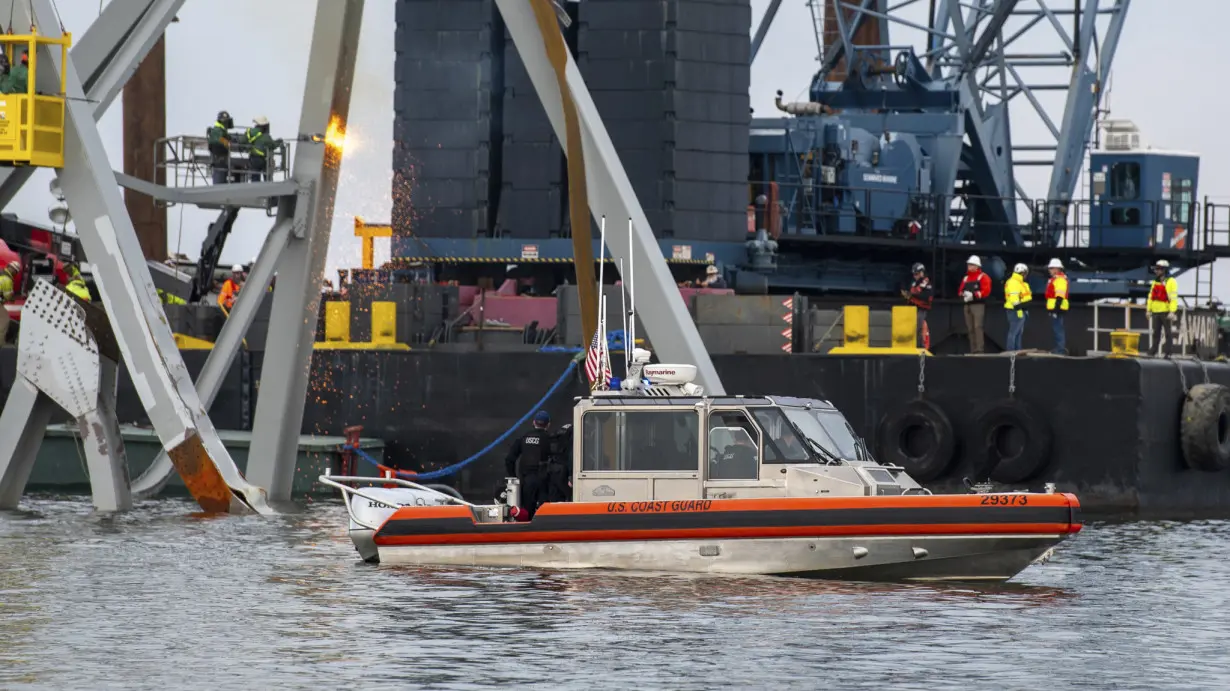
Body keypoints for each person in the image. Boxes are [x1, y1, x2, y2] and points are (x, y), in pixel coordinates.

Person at [503, 410, 553, 518]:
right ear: (548, 424)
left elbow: (509, 459)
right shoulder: (550, 439)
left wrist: (514, 477)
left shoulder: (524, 438)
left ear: (533, 422)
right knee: (545, 514)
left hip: (527, 481)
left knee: (527, 513)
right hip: (545, 481)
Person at [958, 255, 992, 354]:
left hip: (978, 305)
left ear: (977, 266)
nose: (969, 266)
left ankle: (979, 350)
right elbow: (960, 290)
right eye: (968, 264)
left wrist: (974, 295)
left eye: (971, 265)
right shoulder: (966, 278)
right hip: (967, 305)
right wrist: (963, 294)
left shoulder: (983, 277)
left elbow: (986, 290)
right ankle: (973, 349)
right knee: (970, 328)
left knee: (978, 327)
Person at [1147, 259, 1180, 357]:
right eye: (1156, 269)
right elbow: (1151, 297)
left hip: (1166, 312)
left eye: (1159, 269)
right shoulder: (1155, 282)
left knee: (1167, 333)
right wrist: (1148, 310)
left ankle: (1168, 352)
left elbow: (1173, 298)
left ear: (1164, 270)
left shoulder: (1171, 281)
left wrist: (1172, 311)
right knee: (1156, 333)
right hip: (1156, 311)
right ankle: (1153, 350)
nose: (1157, 271)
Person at [902, 262, 932, 349]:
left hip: (921, 308)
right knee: (911, 326)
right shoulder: (914, 282)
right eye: (914, 274)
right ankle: (911, 344)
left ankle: (920, 346)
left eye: (917, 274)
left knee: (918, 326)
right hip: (912, 308)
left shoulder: (926, 282)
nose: (915, 276)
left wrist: (911, 295)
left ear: (922, 272)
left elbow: (923, 295)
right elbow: (912, 291)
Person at [1004, 262, 1031, 351]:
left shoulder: (1020, 283)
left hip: (1020, 310)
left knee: (1018, 333)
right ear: (1023, 273)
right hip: (1016, 310)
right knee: (1014, 332)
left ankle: (1017, 350)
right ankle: (1011, 351)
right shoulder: (1013, 282)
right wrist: (1019, 309)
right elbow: (1014, 298)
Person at [1045, 258, 1069, 354]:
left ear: (1057, 269)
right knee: (1057, 329)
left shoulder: (1059, 280)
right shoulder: (1056, 279)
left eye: (1051, 268)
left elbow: (1060, 295)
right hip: (1055, 307)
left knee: (1058, 329)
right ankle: (1059, 348)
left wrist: (1056, 309)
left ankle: (1060, 349)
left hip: (1057, 308)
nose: (1049, 270)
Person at [207, 111, 235, 184]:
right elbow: (219, 139)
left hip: (220, 161)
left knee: (221, 180)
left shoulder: (219, 130)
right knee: (219, 183)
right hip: (219, 161)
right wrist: (228, 142)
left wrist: (229, 139)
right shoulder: (217, 130)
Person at [246, 116, 276, 182]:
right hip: (263, 160)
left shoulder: (250, 133)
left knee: (255, 178)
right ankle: (268, 186)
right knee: (267, 177)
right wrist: (279, 141)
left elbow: (243, 141)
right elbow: (273, 145)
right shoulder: (266, 137)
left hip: (253, 159)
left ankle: (255, 188)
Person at [0, 260, 18, 343]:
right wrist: (11, 296)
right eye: (15, 271)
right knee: (5, 320)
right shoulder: (7, 280)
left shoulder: (1, 273)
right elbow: (7, 296)